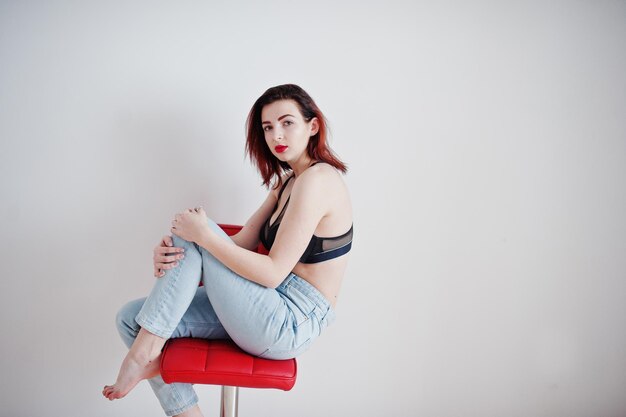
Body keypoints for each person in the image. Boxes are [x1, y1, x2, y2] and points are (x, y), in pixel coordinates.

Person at [102, 83, 353, 417]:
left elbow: (273, 271)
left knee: (197, 232)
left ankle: (142, 354)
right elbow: (239, 245)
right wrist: (177, 253)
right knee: (131, 318)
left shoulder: (318, 181)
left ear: (313, 126)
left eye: (286, 122)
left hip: (291, 320)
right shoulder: (287, 182)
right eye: (267, 127)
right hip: (269, 302)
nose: (276, 134)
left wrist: (201, 238)